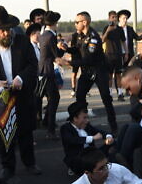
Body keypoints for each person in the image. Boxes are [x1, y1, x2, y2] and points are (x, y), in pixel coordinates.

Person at [0, 6, 40, 179]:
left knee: (25, 130)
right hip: (1, 96)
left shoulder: (22, 41)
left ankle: (30, 163)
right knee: (3, 133)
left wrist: (20, 78)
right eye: (2, 30)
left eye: (8, 30)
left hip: (21, 93)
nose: (6, 34)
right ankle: (8, 166)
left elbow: (32, 65)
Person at [59, 11, 118, 135]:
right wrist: (67, 49)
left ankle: (114, 126)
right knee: (80, 96)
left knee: (106, 98)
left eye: (77, 22)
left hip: (98, 70)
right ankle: (84, 123)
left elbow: (88, 58)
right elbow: (78, 49)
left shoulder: (93, 37)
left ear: (84, 22)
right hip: (87, 71)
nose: (75, 24)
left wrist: (68, 62)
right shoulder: (81, 36)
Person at [60, 101, 114, 175]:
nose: (87, 120)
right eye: (84, 118)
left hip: (92, 154)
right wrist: (92, 138)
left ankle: (108, 163)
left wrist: (108, 137)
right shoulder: (65, 128)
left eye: (87, 117)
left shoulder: (87, 125)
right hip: (78, 158)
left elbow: (99, 132)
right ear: (75, 118)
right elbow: (73, 140)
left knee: (113, 143)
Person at [39, 11, 66, 140]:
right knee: (54, 99)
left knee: (52, 98)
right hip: (48, 71)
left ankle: (46, 122)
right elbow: (57, 56)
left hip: (43, 70)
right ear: (55, 23)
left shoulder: (44, 34)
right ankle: (50, 129)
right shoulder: (51, 36)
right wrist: (64, 50)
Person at [103, 10, 126, 101]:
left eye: (115, 17)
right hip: (108, 55)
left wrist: (126, 53)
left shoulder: (120, 29)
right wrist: (108, 30)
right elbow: (103, 40)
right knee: (109, 76)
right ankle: (110, 94)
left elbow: (123, 42)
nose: (114, 19)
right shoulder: (106, 28)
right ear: (109, 18)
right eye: (112, 17)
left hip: (118, 55)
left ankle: (120, 93)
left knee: (118, 75)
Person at [69, 30, 81, 98]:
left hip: (83, 57)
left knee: (84, 74)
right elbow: (72, 47)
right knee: (74, 73)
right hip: (75, 57)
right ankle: (73, 89)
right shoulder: (74, 35)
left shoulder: (84, 34)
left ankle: (84, 90)